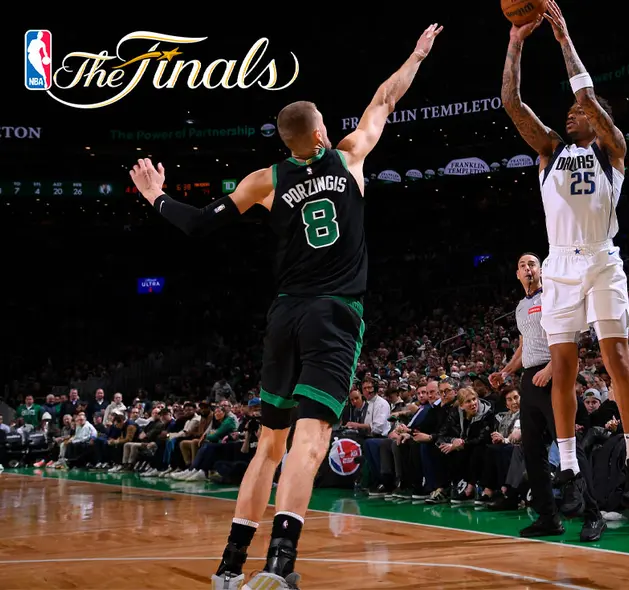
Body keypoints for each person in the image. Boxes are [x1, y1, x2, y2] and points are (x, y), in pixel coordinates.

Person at [128, 24, 444, 590]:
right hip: (333, 314)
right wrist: (417, 53)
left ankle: (229, 568)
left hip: (283, 317)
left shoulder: (265, 180)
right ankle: (278, 567)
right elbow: (385, 98)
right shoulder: (349, 157)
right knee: (311, 439)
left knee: (268, 446)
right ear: (322, 131)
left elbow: (200, 224)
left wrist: (156, 196)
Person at [500, 0, 629, 511]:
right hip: (559, 263)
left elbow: (585, 92)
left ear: (599, 117)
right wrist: (516, 44)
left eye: (579, 111)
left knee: (617, 357)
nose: (571, 112)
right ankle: (566, 467)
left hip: (604, 260)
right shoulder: (550, 151)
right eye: (569, 111)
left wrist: (564, 42)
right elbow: (512, 103)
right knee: (563, 370)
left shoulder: (613, 151)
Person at [489, 253, 605, 542]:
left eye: (532, 264)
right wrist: (505, 372)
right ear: (517, 274)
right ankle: (548, 517)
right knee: (532, 452)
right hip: (529, 379)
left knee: (569, 449)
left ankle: (594, 515)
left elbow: (568, 335)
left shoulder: (553, 295)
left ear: (540, 270)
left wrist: (552, 367)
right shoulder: (519, 307)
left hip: (554, 376)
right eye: (522, 265)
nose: (527, 268)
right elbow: (525, 344)